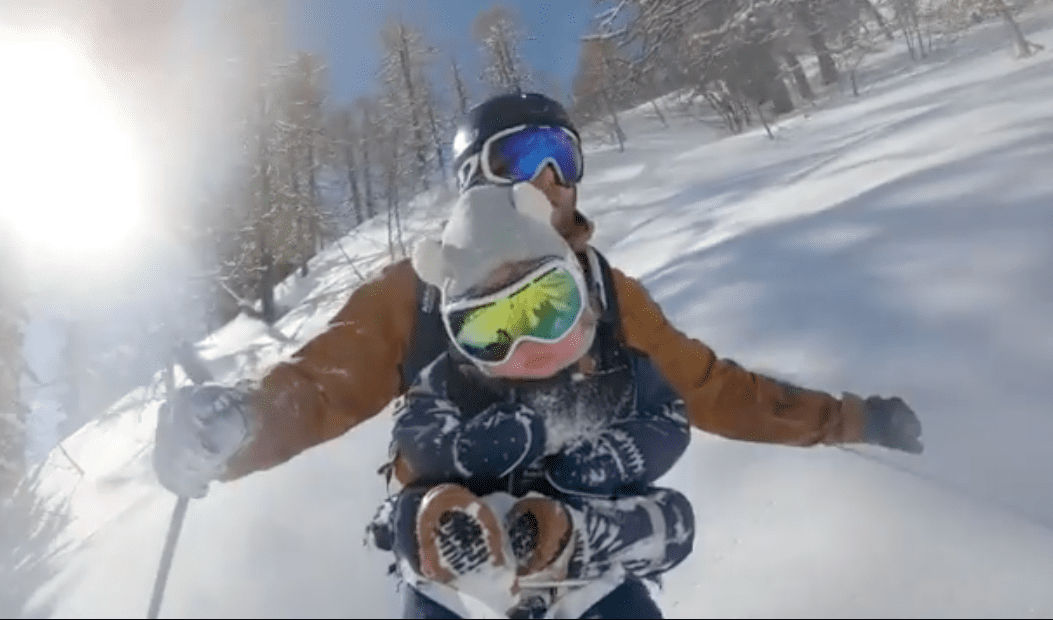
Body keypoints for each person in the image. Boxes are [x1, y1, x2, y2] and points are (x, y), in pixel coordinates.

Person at [152, 91, 923, 611]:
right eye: (523, 158)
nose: (550, 181)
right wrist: (238, 427)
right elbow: (323, 385)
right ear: (474, 180)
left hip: (582, 546)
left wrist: (846, 419)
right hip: (450, 555)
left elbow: (710, 387)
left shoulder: (606, 291)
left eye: (563, 157)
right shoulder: (418, 291)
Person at [367, 182, 696, 618]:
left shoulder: (615, 372)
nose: (526, 345)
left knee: (667, 527)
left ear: (579, 293)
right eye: (491, 331)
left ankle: (573, 537)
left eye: (546, 309)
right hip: (468, 581)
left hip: (586, 577)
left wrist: (613, 457)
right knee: (418, 537)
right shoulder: (454, 382)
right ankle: (448, 534)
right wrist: (469, 453)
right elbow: (417, 434)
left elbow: (668, 419)